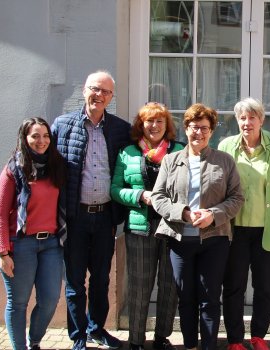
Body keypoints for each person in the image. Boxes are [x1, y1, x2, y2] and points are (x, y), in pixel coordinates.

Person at [152, 103, 245, 350]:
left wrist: (213, 215)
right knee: (186, 299)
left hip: (214, 239)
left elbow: (237, 198)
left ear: (211, 131)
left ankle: (209, 346)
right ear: (186, 129)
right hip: (180, 240)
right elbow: (158, 197)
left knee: (210, 298)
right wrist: (182, 212)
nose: (199, 133)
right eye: (194, 127)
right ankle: (191, 345)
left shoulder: (224, 161)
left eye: (204, 128)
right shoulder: (171, 161)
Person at [51, 71, 131, 350]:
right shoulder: (62, 125)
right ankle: (78, 336)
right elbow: (48, 169)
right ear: (84, 91)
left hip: (105, 218)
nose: (99, 95)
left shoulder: (121, 129)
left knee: (100, 280)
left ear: (111, 97)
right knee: (74, 282)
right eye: (95, 89)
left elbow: (129, 171)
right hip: (75, 218)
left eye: (106, 92)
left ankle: (97, 329)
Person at [218, 97, 270, 350]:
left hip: (267, 228)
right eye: (242, 117)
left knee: (264, 285)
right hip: (234, 229)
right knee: (234, 286)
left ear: (261, 120)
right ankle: (235, 340)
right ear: (237, 120)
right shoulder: (226, 146)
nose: (247, 122)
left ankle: (259, 336)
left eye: (252, 117)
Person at [110, 102, 184, 350]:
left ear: (167, 125)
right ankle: (136, 340)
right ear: (140, 125)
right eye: (148, 121)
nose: (154, 126)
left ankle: (162, 337)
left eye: (159, 121)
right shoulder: (128, 152)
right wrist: (139, 195)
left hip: (172, 228)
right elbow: (116, 189)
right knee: (140, 286)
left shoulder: (180, 151)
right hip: (139, 228)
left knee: (169, 285)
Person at [0, 117, 67, 350]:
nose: (41, 141)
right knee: (19, 302)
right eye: (35, 136)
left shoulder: (56, 166)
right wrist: (3, 252)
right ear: (25, 138)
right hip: (20, 244)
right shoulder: (13, 169)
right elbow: (0, 214)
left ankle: (34, 341)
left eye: (45, 136)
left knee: (49, 300)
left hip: (52, 244)